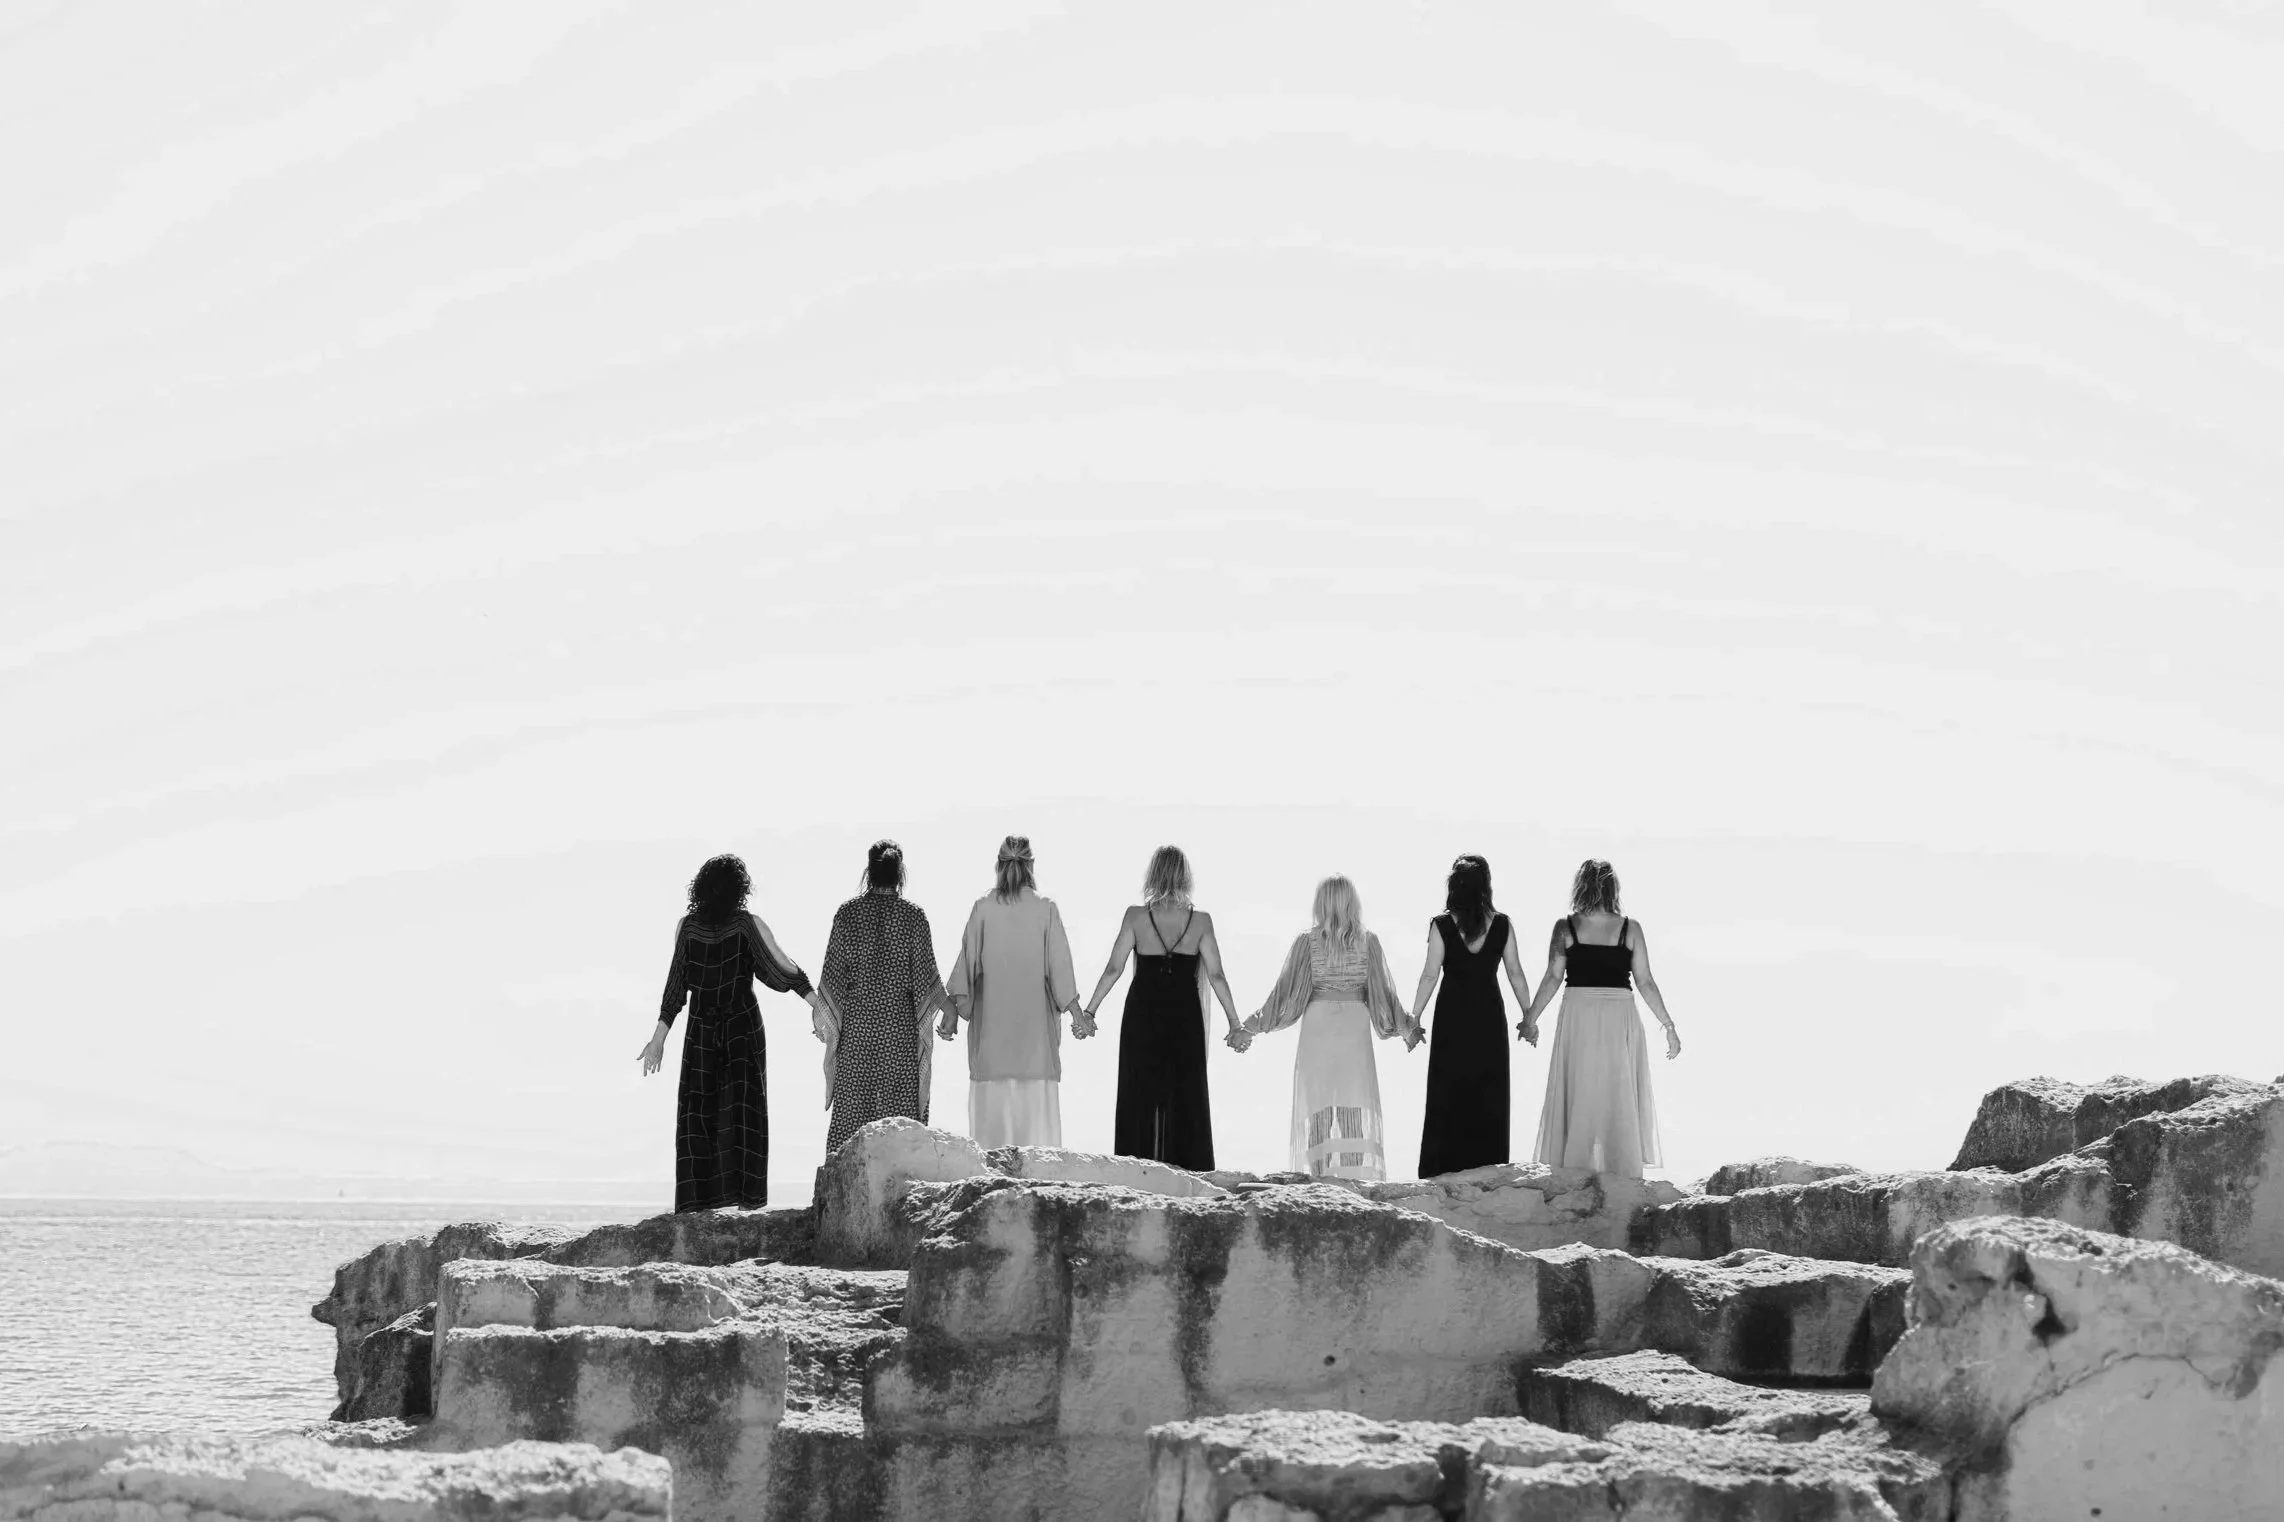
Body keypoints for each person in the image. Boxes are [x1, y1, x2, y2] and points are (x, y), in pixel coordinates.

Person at [639, 853, 824, 1211]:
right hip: (742, 1025)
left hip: (701, 1030)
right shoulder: (747, 924)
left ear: (702, 887)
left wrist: (658, 1038)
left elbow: (675, 989)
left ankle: (697, 1206)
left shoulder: (688, 927)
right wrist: (817, 1005)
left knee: (698, 1114)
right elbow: (783, 972)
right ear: (740, 888)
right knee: (744, 1111)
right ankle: (746, 1204)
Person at [1079, 845, 1249, 1172]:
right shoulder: (1200, 921)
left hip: (1142, 1011)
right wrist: (1234, 1023)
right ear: (1186, 878)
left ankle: (1136, 1170)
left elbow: (1113, 968)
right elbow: (1216, 974)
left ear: (1152, 875)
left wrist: (1090, 1011)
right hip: (1185, 1014)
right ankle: (1188, 1170)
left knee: (1138, 1090)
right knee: (1186, 1092)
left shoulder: (1136, 916)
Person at [1241, 875, 1418, 1181]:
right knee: (1353, 1100)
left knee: (1318, 1103)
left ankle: (1319, 1176)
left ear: (1320, 903)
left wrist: (1250, 1026)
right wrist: (1406, 1028)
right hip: (1354, 1025)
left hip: (1318, 1024)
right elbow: (1385, 993)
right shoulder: (1368, 941)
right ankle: (1353, 1176)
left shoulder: (1306, 942)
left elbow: (1282, 992)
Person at [1514, 858, 1681, 1178]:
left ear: (1581, 886)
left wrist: (1530, 1019)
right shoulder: (1630, 928)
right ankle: (1622, 1168)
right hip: (1620, 1014)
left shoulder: (1565, 927)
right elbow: (1645, 981)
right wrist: (1669, 1026)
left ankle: (1575, 1165)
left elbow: (1552, 977)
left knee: (1580, 1086)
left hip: (1579, 1010)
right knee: (1617, 1087)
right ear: (1612, 889)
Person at [938, 835, 1088, 1147]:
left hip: (992, 1046)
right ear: (1031, 865)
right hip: (1036, 1049)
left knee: (990, 1148)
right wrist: (1078, 1018)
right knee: (1036, 1147)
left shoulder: (982, 909)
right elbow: (1060, 971)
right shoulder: (1046, 909)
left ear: (998, 865)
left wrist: (950, 1016)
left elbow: (966, 968)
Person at [814, 840, 950, 1156]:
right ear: (900, 873)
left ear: (868, 871)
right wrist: (950, 1011)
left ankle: (841, 1185)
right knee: (899, 1116)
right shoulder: (913, 916)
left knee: (852, 1113)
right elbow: (928, 977)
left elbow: (831, 977)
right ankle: (900, 1189)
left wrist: (822, 1020)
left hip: (858, 1030)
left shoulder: (847, 914)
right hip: (898, 1029)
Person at [1409, 854, 1534, 1177]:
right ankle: (1487, 1166)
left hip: (1452, 1016)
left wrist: (1415, 1018)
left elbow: (1429, 975)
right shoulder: (1502, 924)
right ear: (1486, 886)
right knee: (1488, 1090)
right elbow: (1516, 974)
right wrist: (1528, 1017)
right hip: (1489, 1017)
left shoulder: (1441, 924)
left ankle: (1442, 1168)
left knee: (1447, 1089)